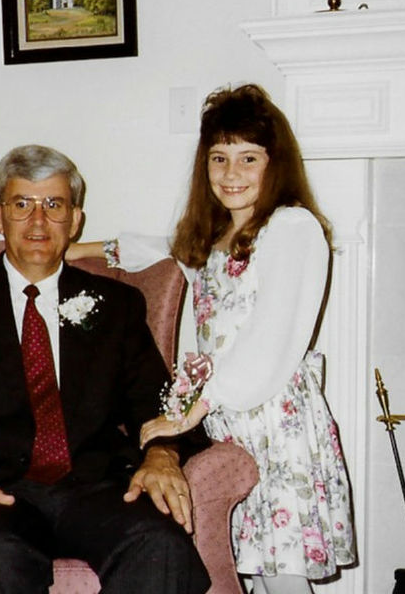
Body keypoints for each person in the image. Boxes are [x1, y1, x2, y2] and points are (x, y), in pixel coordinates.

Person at [0, 144, 211, 594]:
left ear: (75, 219)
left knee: (160, 545)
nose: (37, 221)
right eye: (21, 205)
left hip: (95, 489)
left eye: (54, 205)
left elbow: (154, 398)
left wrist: (162, 454)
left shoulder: (116, 304)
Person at [68, 84, 356, 594]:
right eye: (219, 158)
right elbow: (150, 248)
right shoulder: (213, 238)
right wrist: (69, 250)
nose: (231, 173)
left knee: (283, 580)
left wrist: (190, 411)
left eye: (249, 158)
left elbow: (270, 342)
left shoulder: (291, 228)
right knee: (252, 574)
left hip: (275, 425)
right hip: (227, 425)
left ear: (275, 164)